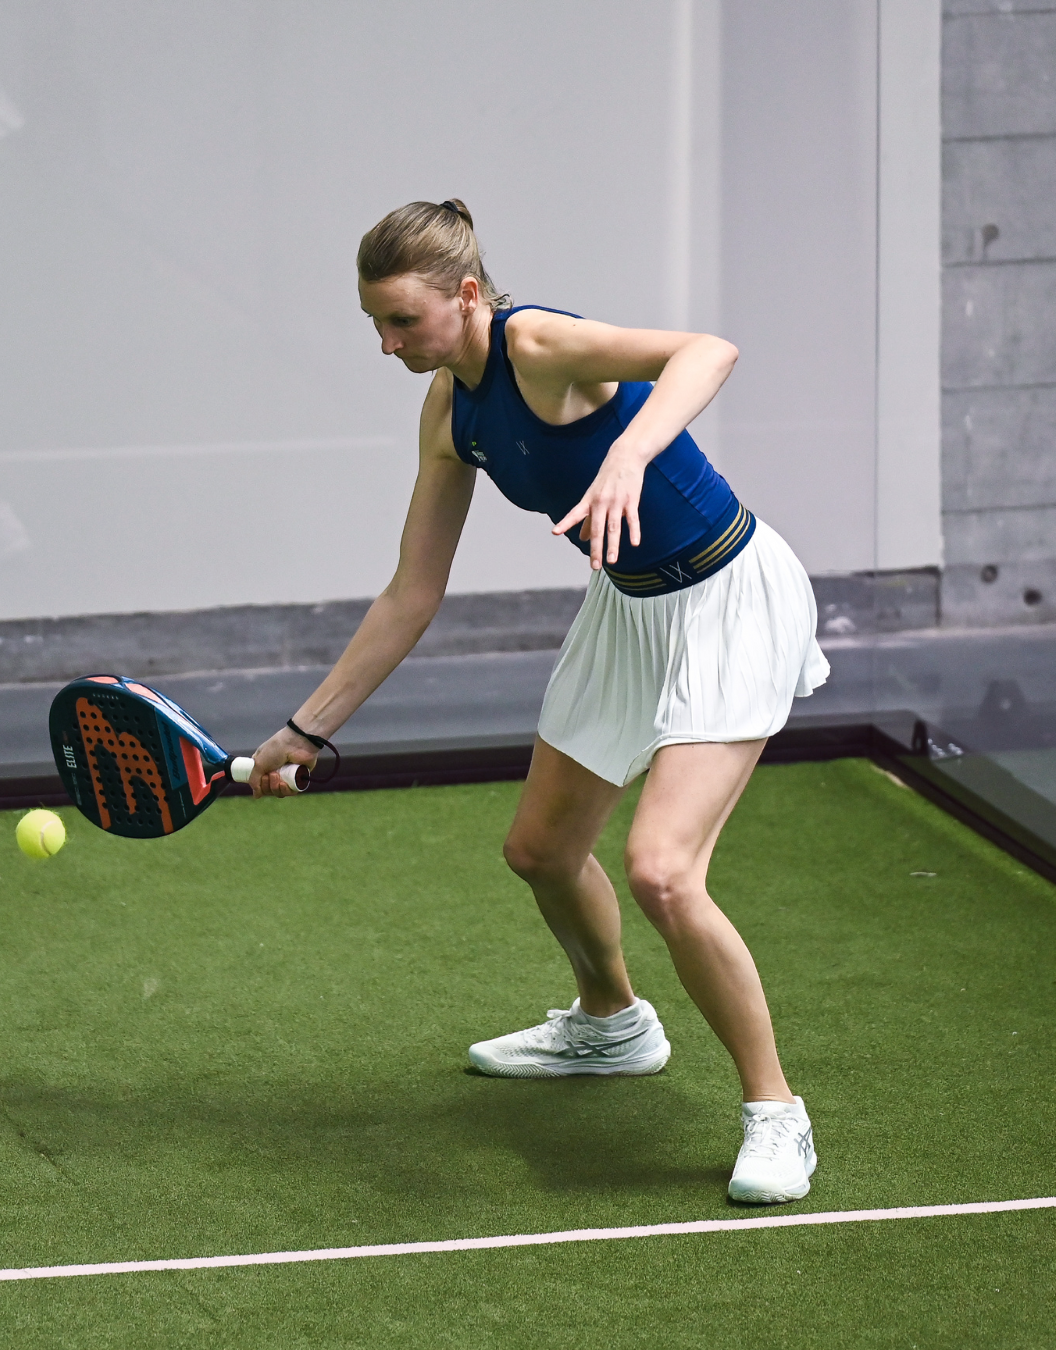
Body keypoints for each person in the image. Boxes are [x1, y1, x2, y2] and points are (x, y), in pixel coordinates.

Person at [248, 199, 830, 1204]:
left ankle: (777, 1112)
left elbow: (707, 350)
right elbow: (412, 591)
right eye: (376, 327)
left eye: (403, 323)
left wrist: (627, 451)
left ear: (466, 296)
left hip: (729, 596)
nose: (388, 346)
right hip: (630, 608)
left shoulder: (544, 346)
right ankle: (611, 1025)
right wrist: (307, 729)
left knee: (661, 871)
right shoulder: (449, 407)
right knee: (541, 853)